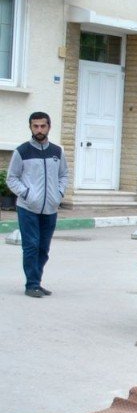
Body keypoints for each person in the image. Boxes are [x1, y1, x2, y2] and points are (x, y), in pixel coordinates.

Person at [6, 112, 68, 298]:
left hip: (50, 208)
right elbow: (12, 178)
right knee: (31, 246)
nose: (39, 130)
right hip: (28, 208)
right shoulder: (22, 151)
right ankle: (31, 284)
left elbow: (63, 175)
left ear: (49, 126)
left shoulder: (57, 152)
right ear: (30, 127)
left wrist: (59, 194)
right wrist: (26, 194)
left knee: (43, 248)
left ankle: (37, 282)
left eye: (42, 126)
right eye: (35, 126)